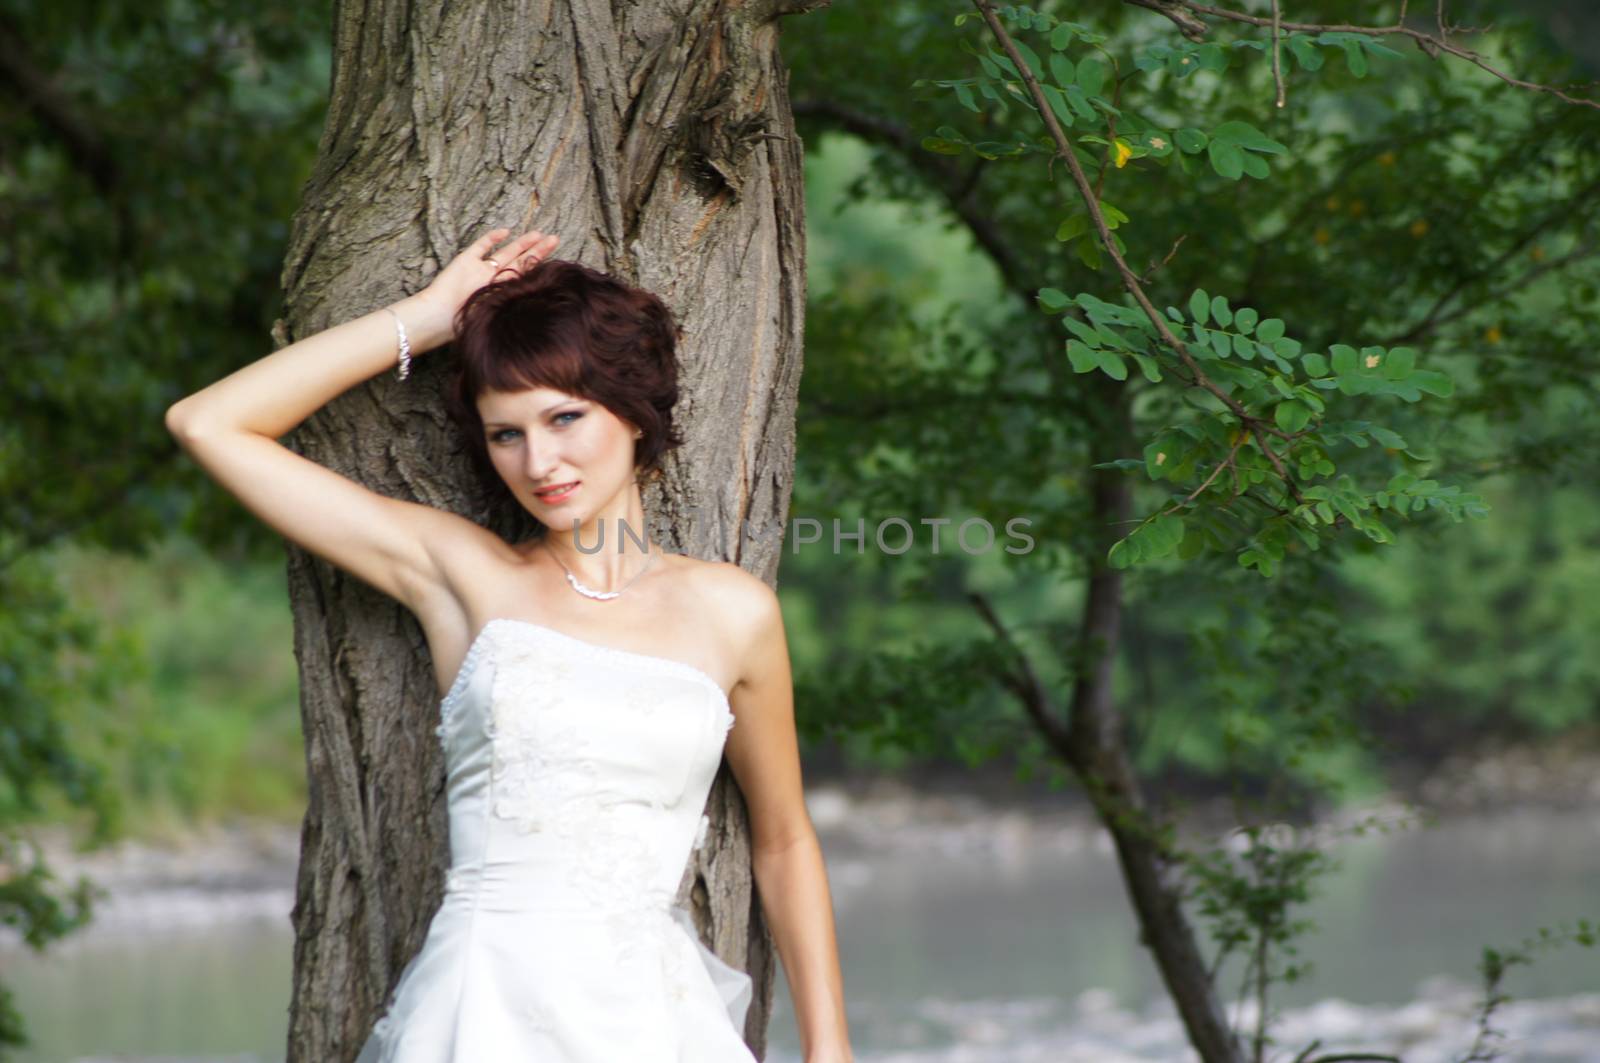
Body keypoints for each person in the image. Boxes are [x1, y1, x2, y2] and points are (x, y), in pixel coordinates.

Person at [164, 227, 853, 1062]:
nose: (540, 460)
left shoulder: (732, 613)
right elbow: (208, 424)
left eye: (565, 417)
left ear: (633, 411)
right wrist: (424, 318)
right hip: (482, 1008)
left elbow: (783, 840)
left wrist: (829, 1048)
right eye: (506, 434)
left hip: (650, 1020)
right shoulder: (468, 578)